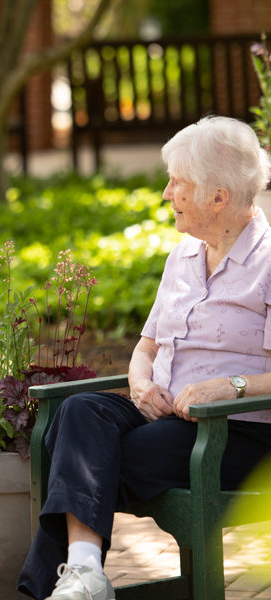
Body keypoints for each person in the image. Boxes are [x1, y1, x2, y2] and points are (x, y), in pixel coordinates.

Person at [18, 115, 271, 600]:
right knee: (78, 412)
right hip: (161, 415)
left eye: (178, 182)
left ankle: (51, 587)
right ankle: (86, 572)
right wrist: (139, 384)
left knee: (86, 459)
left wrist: (229, 388)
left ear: (218, 197)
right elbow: (147, 347)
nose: (166, 192)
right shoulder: (184, 257)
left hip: (233, 431)